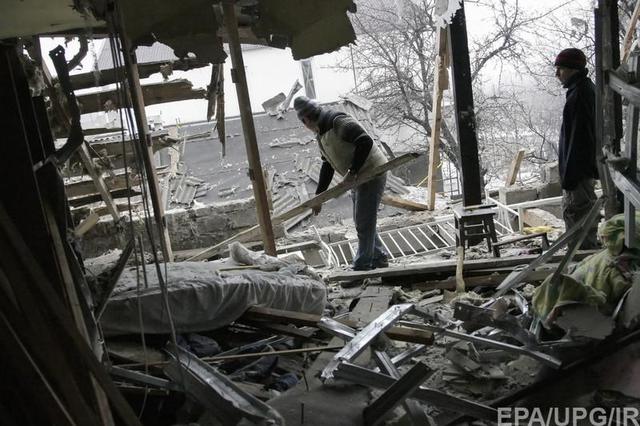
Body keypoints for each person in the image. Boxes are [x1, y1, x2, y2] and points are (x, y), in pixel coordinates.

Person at [293, 96, 389, 270]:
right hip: (359, 178)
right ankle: (379, 256)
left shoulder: (337, 121)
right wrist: (319, 197)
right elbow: (327, 165)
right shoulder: (321, 133)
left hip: (372, 173)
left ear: (305, 120)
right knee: (362, 220)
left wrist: (352, 172)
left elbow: (365, 141)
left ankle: (362, 265)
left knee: (363, 221)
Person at [554, 47, 600, 248]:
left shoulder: (580, 95)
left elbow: (579, 140)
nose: (557, 74)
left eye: (560, 69)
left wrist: (570, 176)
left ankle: (581, 263)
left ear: (573, 69)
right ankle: (581, 259)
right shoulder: (581, 90)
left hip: (578, 172)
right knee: (580, 219)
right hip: (579, 171)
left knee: (578, 219)